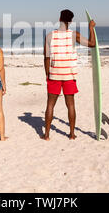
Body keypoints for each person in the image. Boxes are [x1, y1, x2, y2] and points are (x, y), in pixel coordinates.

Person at [42, 9, 96, 140]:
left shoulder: (50, 36)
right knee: (70, 104)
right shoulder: (74, 35)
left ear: (59, 19)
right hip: (69, 74)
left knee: (50, 104)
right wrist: (91, 28)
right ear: (71, 21)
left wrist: (47, 74)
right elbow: (92, 44)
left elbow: (46, 57)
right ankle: (72, 134)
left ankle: (47, 135)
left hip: (54, 74)